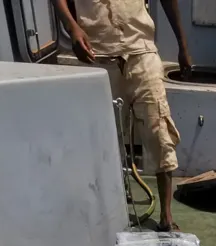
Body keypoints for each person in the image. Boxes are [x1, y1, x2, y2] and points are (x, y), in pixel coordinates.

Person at [54, 0, 192, 230]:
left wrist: (183, 46)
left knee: (159, 132)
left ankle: (166, 217)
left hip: (142, 52)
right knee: (104, 141)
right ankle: (112, 209)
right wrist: (72, 27)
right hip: (97, 56)